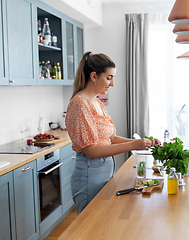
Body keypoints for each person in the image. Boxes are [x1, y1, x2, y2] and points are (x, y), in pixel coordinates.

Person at [65, 51, 161, 215]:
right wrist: (134, 145)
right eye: (109, 78)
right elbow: (91, 150)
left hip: (104, 171)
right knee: (89, 228)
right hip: (89, 175)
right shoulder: (80, 104)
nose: (112, 84)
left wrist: (143, 142)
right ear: (94, 76)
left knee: (102, 223)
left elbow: (111, 138)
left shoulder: (96, 102)